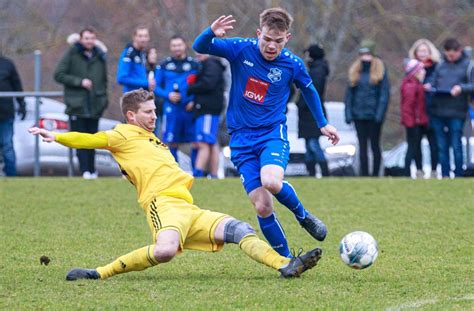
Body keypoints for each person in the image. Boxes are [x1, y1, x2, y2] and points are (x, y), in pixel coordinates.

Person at [28, 89, 323, 280]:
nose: (154, 115)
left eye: (155, 110)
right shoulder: (122, 133)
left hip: (187, 208)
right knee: (165, 251)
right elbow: (91, 139)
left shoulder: (153, 139)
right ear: (132, 115)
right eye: (148, 112)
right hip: (163, 206)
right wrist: (58, 137)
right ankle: (98, 273)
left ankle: (285, 265)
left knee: (240, 229)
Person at [193, 8, 340, 258]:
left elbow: (309, 90)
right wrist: (211, 33)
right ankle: (286, 260)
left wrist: (322, 123)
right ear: (259, 33)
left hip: (272, 134)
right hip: (240, 139)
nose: (272, 46)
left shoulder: (292, 63)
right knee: (262, 207)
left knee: (271, 181)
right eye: (267, 39)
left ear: (287, 38)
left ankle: (302, 216)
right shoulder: (241, 49)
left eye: (278, 41)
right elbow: (200, 46)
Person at [54, 28, 108, 179]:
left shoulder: (99, 56)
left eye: (92, 38)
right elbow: (59, 75)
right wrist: (79, 82)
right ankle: (85, 170)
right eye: (86, 38)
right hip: (77, 105)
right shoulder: (72, 54)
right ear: (80, 39)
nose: (89, 41)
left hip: (95, 105)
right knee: (80, 139)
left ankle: (92, 170)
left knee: (93, 140)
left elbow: (104, 81)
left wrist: (103, 99)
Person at [428, 38, 474, 178]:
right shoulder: (440, 65)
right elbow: (433, 81)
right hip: (438, 110)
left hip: (457, 111)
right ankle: (445, 174)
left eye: (453, 55)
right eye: (447, 55)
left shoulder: (469, 66)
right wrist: (430, 87)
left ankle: (458, 174)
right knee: (442, 146)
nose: (450, 57)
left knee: (456, 144)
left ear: (459, 51)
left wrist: (461, 88)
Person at [344, 39, 390, 177]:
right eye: (363, 54)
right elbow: (349, 96)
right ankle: (364, 174)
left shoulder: (380, 71)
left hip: (374, 116)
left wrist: (379, 115)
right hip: (359, 115)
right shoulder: (355, 72)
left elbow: (384, 95)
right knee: (362, 146)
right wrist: (348, 114)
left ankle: (376, 174)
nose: (365, 57)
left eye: (368, 54)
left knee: (375, 145)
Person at [154, 35, 199, 164]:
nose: (177, 48)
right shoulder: (164, 65)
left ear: (184, 45)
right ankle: (174, 172)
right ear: (170, 47)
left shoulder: (194, 65)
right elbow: (155, 87)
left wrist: (194, 100)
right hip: (171, 109)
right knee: (172, 141)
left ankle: (197, 174)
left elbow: (200, 85)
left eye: (179, 45)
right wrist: (168, 95)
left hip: (189, 108)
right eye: (174, 45)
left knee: (195, 141)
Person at [187, 53, 226, 178]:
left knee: (204, 142)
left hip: (208, 109)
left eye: (201, 51)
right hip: (207, 109)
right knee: (211, 141)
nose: (197, 54)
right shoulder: (206, 65)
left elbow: (208, 84)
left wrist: (192, 87)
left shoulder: (211, 64)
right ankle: (213, 174)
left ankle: (198, 172)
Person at [296, 44, 330, 177]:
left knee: (313, 143)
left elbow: (311, 92)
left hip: (310, 113)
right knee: (309, 144)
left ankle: (324, 172)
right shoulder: (317, 70)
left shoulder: (317, 71)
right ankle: (311, 173)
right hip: (307, 114)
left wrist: (301, 104)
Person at [408, 39, 441, 178]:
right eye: (420, 51)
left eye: (425, 51)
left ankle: (434, 170)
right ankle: (419, 170)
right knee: (416, 145)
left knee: (434, 143)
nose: (422, 53)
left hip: (432, 112)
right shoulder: (410, 69)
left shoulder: (437, 68)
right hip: (416, 114)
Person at [400, 59, 428, 178]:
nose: (424, 72)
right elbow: (407, 107)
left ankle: (419, 170)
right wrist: (410, 123)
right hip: (413, 123)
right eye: (421, 69)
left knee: (416, 148)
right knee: (412, 148)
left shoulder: (417, 85)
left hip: (417, 122)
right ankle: (406, 172)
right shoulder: (411, 86)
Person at [0, 56, 26, 176]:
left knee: (7, 145)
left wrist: (21, 103)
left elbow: (17, 85)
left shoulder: (7, 64)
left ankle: (11, 176)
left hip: (5, 112)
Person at [117, 26, 155, 94]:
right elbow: (121, 79)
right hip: (131, 97)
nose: (143, 39)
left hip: (142, 95)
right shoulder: (129, 54)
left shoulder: (142, 53)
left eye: (145, 36)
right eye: (140, 36)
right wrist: (146, 83)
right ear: (134, 37)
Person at [145, 47, 163, 138]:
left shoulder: (159, 70)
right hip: (145, 106)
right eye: (151, 53)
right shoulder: (142, 70)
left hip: (157, 108)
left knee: (155, 135)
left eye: (154, 53)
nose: (153, 56)